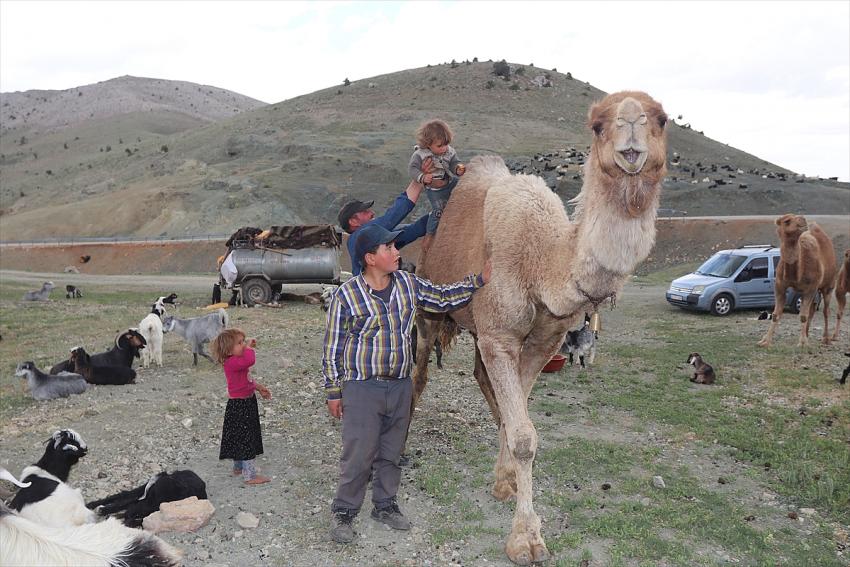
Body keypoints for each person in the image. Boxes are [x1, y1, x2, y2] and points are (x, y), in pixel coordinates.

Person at [322, 223, 491, 544]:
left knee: (391, 451)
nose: (397, 252)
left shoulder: (408, 284)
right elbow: (333, 347)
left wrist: (478, 281)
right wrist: (333, 391)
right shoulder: (347, 296)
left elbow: (442, 298)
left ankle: (384, 505)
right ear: (370, 258)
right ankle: (344, 511)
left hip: (400, 386)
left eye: (395, 247)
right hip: (362, 388)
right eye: (389, 248)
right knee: (358, 454)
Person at [337, 157, 434, 276]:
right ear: (353, 221)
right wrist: (420, 177)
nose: (372, 213)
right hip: (370, 292)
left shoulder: (380, 239)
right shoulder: (357, 239)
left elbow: (414, 229)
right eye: (365, 212)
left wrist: (441, 214)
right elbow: (394, 215)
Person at [211, 328, 272, 485]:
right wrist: (249, 348)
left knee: (239, 436)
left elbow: (246, 381)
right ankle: (250, 475)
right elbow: (250, 360)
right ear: (228, 350)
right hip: (240, 406)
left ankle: (238, 466)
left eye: (243, 341)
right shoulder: (231, 362)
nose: (243, 345)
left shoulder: (236, 361)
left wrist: (258, 387)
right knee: (246, 438)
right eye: (239, 343)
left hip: (246, 401)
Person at [408, 119, 465, 234]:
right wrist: (422, 177)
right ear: (428, 143)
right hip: (435, 190)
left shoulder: (449, 151)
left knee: (465, 187)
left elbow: (454, 162)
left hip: (449, 181)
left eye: (446, 144)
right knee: (438, 211)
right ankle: (430, 234)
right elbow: (412, 169)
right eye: (440, 146)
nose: (444, 148)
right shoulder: (420, 155)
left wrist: (458, 168)